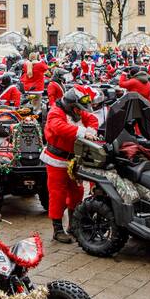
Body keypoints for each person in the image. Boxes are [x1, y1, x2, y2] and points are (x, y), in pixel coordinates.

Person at [41, 88, 99, 243]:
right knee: (57, 195)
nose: (80, 112)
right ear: (71, 105)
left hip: (74, 160)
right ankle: (57, 229)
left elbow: (92, 119)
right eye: (78, 109)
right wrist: (83, 132)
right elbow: (59, 128)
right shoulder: (55, 112)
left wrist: (91, 130)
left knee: (77, 192)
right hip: (56, 160)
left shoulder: (77, 110)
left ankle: (73, 226)